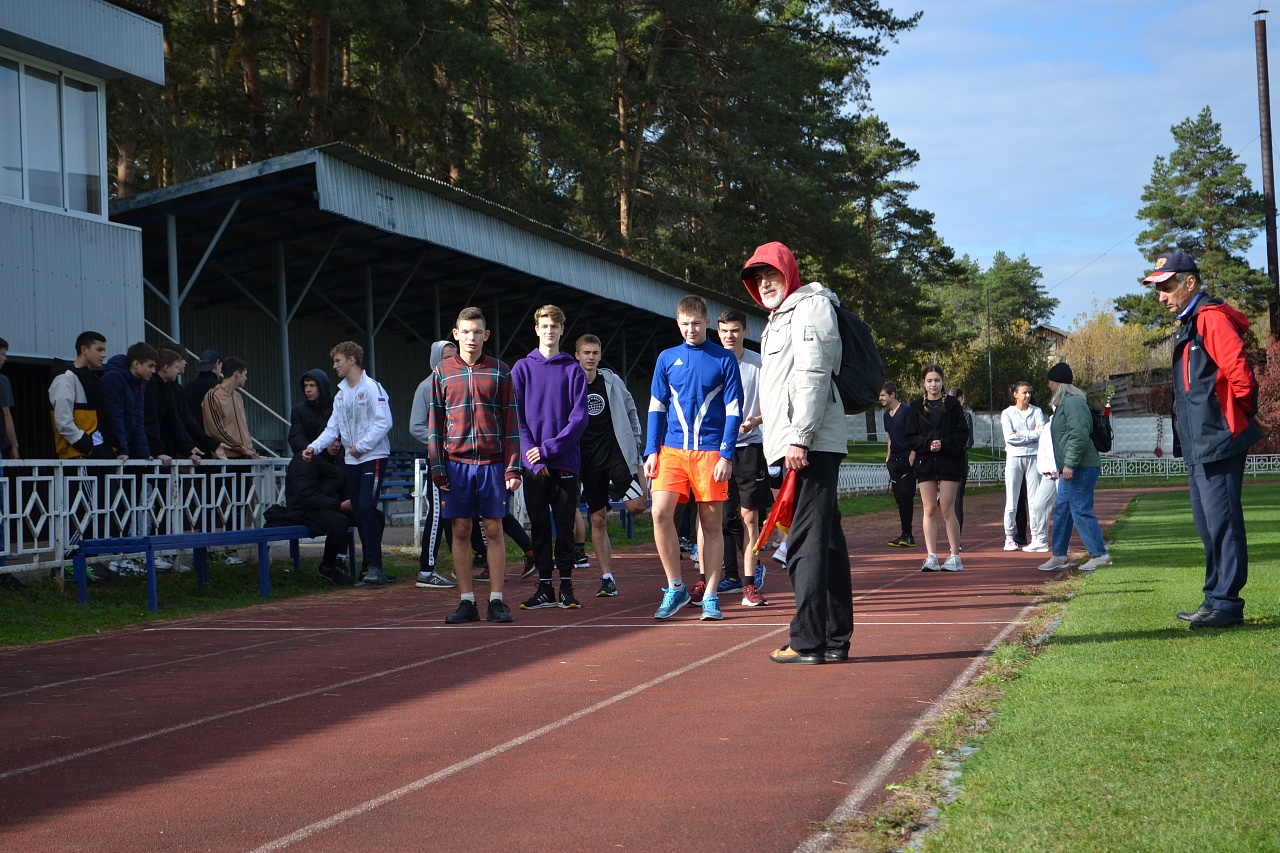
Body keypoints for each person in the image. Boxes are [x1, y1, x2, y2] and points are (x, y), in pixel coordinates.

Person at [1144, 251, 1268, 629]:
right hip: (1199, 444)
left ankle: (1227, 605)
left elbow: (1241, 375)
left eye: (1166, 287)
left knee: (1224, 522)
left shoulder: (1210, 320)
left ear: (1190, 283)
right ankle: (1214, 598)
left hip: (1218, 438)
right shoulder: (1188, 324)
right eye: (1158, 289)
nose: (1161, 295)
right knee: (1207, 523)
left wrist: (1245, 411)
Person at [741, 242, 851, 663]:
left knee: (804, 541)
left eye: (771, 274)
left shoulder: (810, 307)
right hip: (800, 440)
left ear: (789, 272)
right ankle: (836, 640)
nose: (764, 283)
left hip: (809, 443)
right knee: (828, 543)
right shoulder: (781, 315)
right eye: (757, 278)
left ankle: (809, 641)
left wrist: (800, 437)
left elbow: (812, 373)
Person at [646, 295, 742, 622]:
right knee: (659, 513)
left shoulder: (724, 359)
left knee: (711, 524)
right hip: (671, 450)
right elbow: (656, 407)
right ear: (677, 323)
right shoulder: (666, 358)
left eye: (696, 324)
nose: (690, 329)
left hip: (712, 451)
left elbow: (734, 411)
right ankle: (675, 586)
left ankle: (712, 594)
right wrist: (650, 450)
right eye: (685, 324)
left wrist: (727, 453)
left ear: (707, 324)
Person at [427, 308, 523, 624]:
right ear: (456, 334)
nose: (471, 337)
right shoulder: (442, 372)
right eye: (466, 332)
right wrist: (438, 468)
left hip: (493, 464)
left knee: (495, 528)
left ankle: (496, 600)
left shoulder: (500, 371)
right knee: (461, 529)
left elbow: (511, 423)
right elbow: (435, 425)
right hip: (455, 464)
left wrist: (513, 467)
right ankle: (467, 601)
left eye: (477, 331)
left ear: (486, 335)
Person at [512, 305, 589, 610]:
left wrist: (548, 451)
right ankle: (544, 587)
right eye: (544, 325)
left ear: (561, 330)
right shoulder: (521, 368)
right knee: (540, 525)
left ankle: (567, 587)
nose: (549, 330)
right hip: (534, 466)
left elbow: (580, 418)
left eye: (555, 326)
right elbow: (516, 420)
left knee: (566, 525)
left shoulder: (573, 370)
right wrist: (534, 460)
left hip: (565, 462)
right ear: (536, 329)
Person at [304, 342, 394, 587]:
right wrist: (314, 446)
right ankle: (371, 569)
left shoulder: (373, 388)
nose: (334, 366)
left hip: (372, 457)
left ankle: (374, 566)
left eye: (338, 361)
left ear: (352, 360)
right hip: (351, 461)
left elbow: (384, 422)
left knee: (366, 507)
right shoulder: (342, 394)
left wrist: (361, 446)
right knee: (359, 510)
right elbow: (332, 427)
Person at [573, 333, 646, 598]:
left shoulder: (612, 381)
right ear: (577, 356)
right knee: (598, 518)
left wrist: (636, 441)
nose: (590, 357)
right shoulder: (571, 383)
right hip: (588, 461)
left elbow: (631, 409)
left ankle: (638, 472)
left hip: (616, 455)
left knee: (637, 506)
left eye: (595, 353)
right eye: (586, 353)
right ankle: (607, 578)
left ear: (600, 356)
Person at [716, 310, 772, 607]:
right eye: (724, 330)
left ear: (745, 331)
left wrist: (755, 421)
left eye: (735, 330)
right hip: (718, 448)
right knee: (724, 517)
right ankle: (731, 575)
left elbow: (776, 404)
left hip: (750, 446)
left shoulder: (759, 364)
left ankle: (750, 584)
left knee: (749, 516)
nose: (729, 336)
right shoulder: (712, 361)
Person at [1036, 362, 1111, 574]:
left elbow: (1078, 435)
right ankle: (1059, 555)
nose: (1049, 386)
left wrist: (1069, 464)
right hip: (1073, 466)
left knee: (1079, 509)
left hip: (1082, 466)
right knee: (1063, 510)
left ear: (1057, 383)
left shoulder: (1072, 404)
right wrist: (1063, 466)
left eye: (1050, 382)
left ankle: (1100, 555)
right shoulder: (1066, 404)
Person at [905, 364, 967, 573]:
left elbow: (961, 434)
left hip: (949, 461)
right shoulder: (914, 407)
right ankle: (931, 556)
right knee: (929, 509)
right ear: (923, 383)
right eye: (930, 380)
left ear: (942, 382)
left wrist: (944, 444)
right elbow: (910, 437)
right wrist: (927, 445)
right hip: (926, 463)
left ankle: (955, 557)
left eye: (937, 380)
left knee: (947, 509)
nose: (933, 384)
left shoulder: (952, 405)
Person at [410, 340, 461, 589]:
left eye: (454, 357)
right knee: (439, 512)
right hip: (438, 460)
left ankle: (459, 564)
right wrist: (441, 443)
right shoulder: (426, 387)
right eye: (445, 357)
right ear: (435, 360)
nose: (450, 362)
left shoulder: (457, 383)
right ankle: (426, 569)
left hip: (458, 459)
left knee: (455, 514)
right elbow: (415, 426)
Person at [145, 344, 227, 466]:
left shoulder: (178, 388)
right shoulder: (161, 387)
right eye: (179, 363)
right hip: (164, 449)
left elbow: (176, 420)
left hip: (169, 448)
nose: (182, 366)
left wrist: (187, 448)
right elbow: (173, 420)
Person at [287, 438, 352, 586]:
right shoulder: (304, 459)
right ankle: (327, 567)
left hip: (331, 505)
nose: (336, 444)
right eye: (332, 441)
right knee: (340, 522)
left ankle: (371, 568)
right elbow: (305, 496)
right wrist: (339, 505)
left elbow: (344, 486)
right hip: (303, 509)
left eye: (339, 441)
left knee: (373, 516)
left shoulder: (339, 459)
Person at [1000, 382, 1046, 551]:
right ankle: (1009, 537)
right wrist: (1031, 434)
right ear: (1015, 395)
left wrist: (1023, 434)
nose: (1027, 395)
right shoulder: (1007, 413)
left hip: (1033, 457)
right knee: (1012, 499)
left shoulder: (1037, 411)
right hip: (1014, 457)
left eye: (1029, 392)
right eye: (1024, 392)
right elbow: (1010, 437)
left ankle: (1035, 536)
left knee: (1034, 500)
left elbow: (1042, 433)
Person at [101, 342, 159, 462]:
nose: (153, 371)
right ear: (136, 364)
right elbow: (114, 417)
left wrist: (144, 453)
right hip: (109, 446)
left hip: (123, 447)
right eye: (150, 366)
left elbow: (138, 419)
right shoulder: (114, 378)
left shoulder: (140, 382)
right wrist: (122, 450)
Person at [879, 382, 916, 548]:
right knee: (899, 499)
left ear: (892, 394)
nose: (880, 398)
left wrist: (912, 456)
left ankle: (908, 534)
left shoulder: (907, 411)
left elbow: (916, 434)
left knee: (907, 498)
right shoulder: (886, 416)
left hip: (907, 460)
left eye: (883, 395)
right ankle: (904, 533)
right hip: (893, 461)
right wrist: (888, 458)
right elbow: (890, 437)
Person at [202, 357, 260, 459]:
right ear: (237, 374)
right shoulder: (213, 395)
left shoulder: (238, 396)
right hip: (226, 457)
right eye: (245, 374)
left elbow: (244, 426)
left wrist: (249, 447)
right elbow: (216, 430)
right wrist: (242, 448)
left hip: (245, 455)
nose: (246, 378)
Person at [1028, 413, 1057, 555]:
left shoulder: (1069, 424)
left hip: (1064, 474)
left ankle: (1062, 544)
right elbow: (1042, 450)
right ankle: (1041, 540)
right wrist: (1042, 468)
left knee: (1067, 509)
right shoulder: (1047, 427)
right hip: (1048, 474)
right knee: (1039, 504)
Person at [947, 388, 975, 537]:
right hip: (945, 460)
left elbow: (968, 442)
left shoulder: (966, 416)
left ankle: (956, 538)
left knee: (956, 500)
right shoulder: (944, 416)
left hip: (958, 460)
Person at [288, 369, 334, 454]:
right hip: (309, 457)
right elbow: (296, 437)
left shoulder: (336, 407)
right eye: (305, 386)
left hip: (335, 457)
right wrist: (310, 451)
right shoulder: (299, 410)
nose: (308, 390)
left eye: (312, 385)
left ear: (322, 387)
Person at [183, 350, 222, 423]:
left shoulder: (186, 388)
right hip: (212, 433)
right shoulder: (219, 387)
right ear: (216, 365)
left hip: (190, 432)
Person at [0, 337, 18, 460]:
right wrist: (14, 445)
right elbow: (6, 414)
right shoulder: (2, 381)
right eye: (3, 354)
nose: (5, 358)